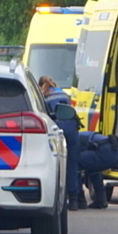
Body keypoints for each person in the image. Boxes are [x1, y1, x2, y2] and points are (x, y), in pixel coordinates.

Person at [39, 75, 82, 211]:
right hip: (72, 130)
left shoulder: (42, 96)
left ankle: (57, 198)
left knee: (54, 166)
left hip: (57, 131)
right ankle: (75, 199)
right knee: (72, 165)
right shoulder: (63, 93)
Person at [78, 131, 118, 208]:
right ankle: (100, 200)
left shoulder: (71, 140)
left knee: (75, 162)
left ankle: (79, 200)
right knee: (92, 167)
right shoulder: (79, 134)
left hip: (107, 151)